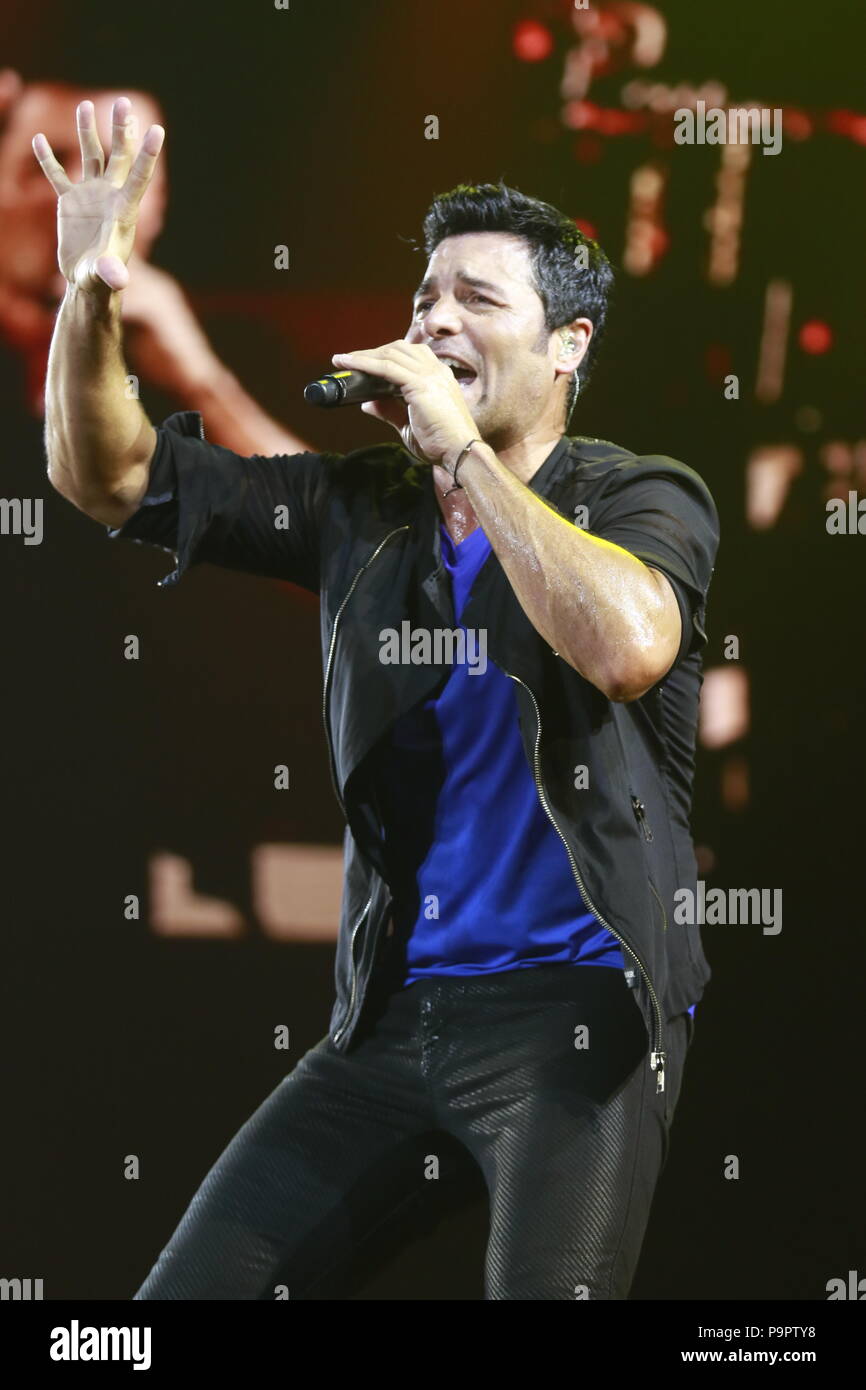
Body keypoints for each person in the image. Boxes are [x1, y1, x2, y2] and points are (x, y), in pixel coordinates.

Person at [35, 97, 719, 1300]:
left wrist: (460, 449)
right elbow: (107, 475)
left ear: (566, 346)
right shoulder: (362, 507)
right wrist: (92, 293)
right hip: (390, 1022)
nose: (433, 319)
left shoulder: (639, 495)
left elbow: (623, 647)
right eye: (423, 300)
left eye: (476, 301)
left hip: (573, 1023)